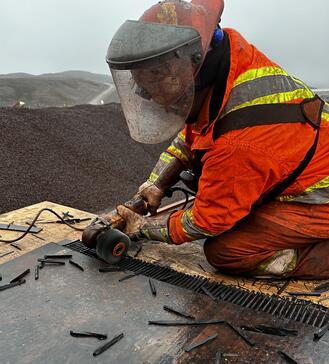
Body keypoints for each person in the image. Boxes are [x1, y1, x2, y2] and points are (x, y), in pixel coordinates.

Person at [106, 0, 329, 279]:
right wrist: (155, 184)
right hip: (299, 160)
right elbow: (193, 134)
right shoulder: (229, 59)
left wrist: (141, 227)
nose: (146, 95)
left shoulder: (237, 144)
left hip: (319, 199)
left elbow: (207, 221)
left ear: (190, 72)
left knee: (226, 251)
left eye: (153, 84)